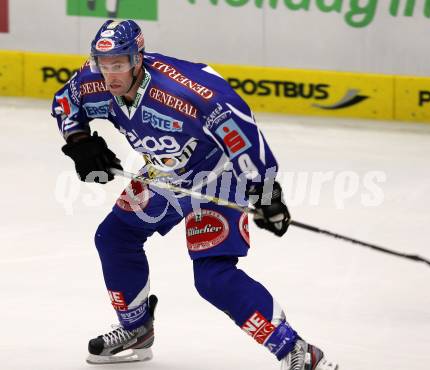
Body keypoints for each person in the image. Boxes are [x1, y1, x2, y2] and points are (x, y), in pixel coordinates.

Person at [52, 19, 338, 370]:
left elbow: (240, 130)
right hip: (166, 175)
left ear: (137, 59)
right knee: (114, 237)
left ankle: (297, 351)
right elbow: (66, 102)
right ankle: (136, 328)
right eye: (103, 64)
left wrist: (264, 191)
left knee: (212, 277)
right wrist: (80, 143)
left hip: (218, 176)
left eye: (119, 65)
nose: (110, 75)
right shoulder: (93, 79)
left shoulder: (186, 91)